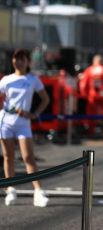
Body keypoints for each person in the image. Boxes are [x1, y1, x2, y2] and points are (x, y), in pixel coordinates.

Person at [0, 49, 50, 207]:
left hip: (23, 123)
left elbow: (45, 99)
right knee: (8, 157)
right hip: (5, 121)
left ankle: (38, 191)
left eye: (22, 59)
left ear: (28, 62)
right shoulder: (6, 80)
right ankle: (11, 189)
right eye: (16, 58)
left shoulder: (33, 79)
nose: (18, 61)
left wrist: (34, 114)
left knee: (28, 157)